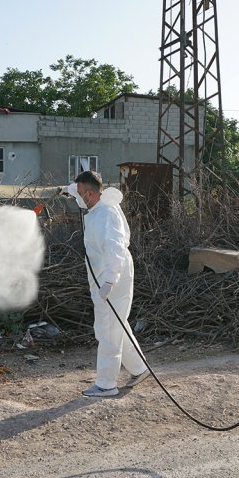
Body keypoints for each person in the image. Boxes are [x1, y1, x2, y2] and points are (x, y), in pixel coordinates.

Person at [70, 170, 150, 398]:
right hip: (103, 276)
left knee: (108, 329)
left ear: (91, 194)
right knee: (117, 324)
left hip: (113, 276)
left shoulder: (106, 214)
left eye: (79, 193)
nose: (77, 197)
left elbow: (114, 248)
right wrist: (67, 190)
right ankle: (139, 368)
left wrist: (109, 281)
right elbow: (75, 190)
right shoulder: (96, 206)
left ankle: (106, 384)